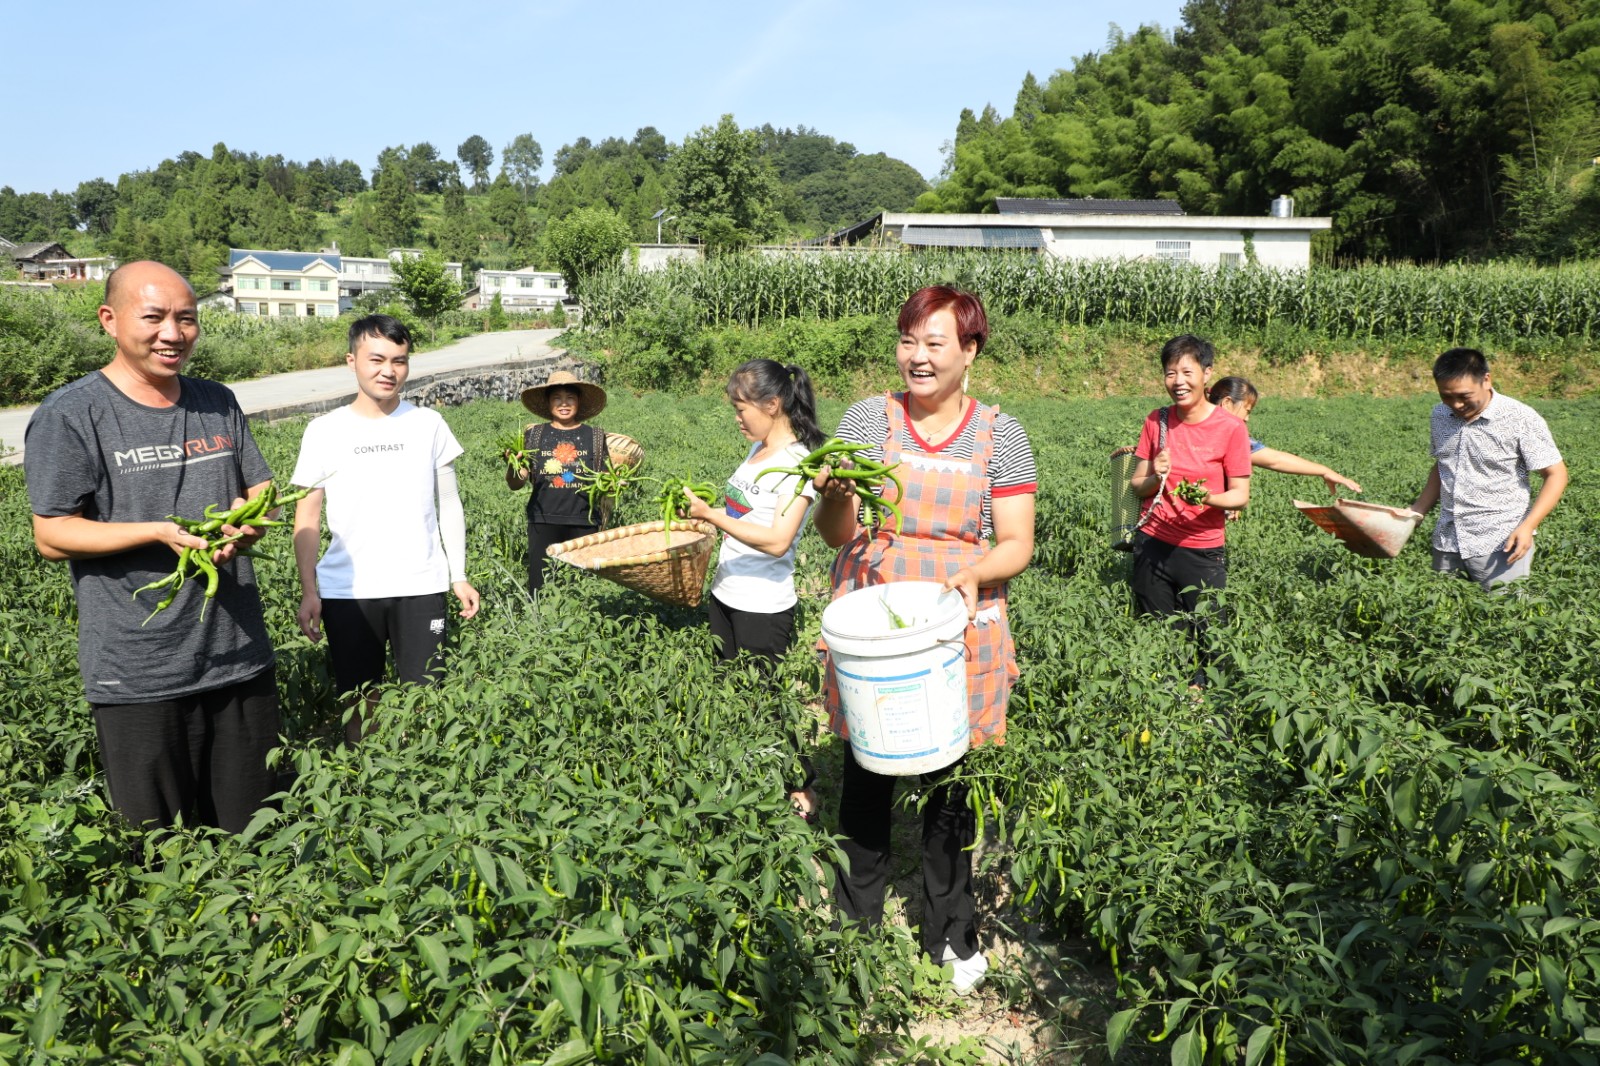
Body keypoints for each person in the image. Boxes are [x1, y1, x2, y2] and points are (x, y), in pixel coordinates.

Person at [813, 285, 1037, 995]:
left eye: (935, 343)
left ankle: (953, 933)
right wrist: (835, 492)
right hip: (872, 613)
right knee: (866, 780)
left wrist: (973, 573)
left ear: (970, 351)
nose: (918, 356)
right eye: (909, 340)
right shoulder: (864, 420)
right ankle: (857, 929)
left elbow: (1017, 544)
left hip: (955, 619)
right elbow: (838, 534)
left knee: (952, 788)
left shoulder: (1000, 434)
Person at [23, 260, 282, 833]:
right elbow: (53, 533)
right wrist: (157, 531)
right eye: (154, 317)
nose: (173, 333)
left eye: (186, 318)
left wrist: (247, 523)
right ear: (109, 320)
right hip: (140, 673)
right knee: (158, 845)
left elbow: (259, 489)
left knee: (256, 832)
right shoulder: (70, 416)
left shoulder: (217, 400)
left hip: (239, 656)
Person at [290, 315, 481, 746]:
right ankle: (364, 772)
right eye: (376, 359)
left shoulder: (428, 424)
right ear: (351, 360)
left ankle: (427, 776)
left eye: (399, 360)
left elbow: (449, 502)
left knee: (428, 695)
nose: (388, 371)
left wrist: (458, 574)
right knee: (360, 697)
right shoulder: (324, 430)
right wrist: (309, 589)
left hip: (421, 584)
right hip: (348, 590)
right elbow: (307, 516)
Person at [683, 359, 826, 822]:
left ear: (773, 403)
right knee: (733, 696)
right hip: (727, 594)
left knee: (768, 701)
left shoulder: (798, 461)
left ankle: (800, 786)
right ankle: (748, 785)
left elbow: (778, 539)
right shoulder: (758, 451)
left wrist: (712, 516)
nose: (737, 417)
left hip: (763, 606)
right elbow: (742, 517)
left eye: (742, 408)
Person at [1127, 336, 1252, 689]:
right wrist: (1155, 473)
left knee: (1212, 638)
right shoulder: (1157, 420)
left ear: (1206, 373)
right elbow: (1136, 486)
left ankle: (1212, 707)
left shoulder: (1231, 428)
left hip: (1201, 550)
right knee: (1164, 637)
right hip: (1152, 545)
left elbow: (1240, 496)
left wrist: (1206, 498)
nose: (1178, 381)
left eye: (1186, 371)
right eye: (1170, 373)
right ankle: (1174, 703)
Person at [1408, 347, 1567, 592]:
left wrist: (1528, 526)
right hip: (1448, 540)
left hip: (1500, 541)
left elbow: (1556, 474)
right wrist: (1418, 510)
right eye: (1446, 396)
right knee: (1442, 617)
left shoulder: (1520, 418)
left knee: (1505, 620)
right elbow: (1444, 464)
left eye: (1464, 395)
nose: (1456, 404)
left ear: (1486, 380)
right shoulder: (1440, 415)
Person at [505, 371, 614, 593]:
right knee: (540, 586)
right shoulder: (534, 434)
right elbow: (516, 483)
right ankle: (538, 626)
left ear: (579, 402)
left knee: (583, 588)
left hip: (584, 521)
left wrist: (615, 483)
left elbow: (606, 480)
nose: (564, 403)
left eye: (570, 398)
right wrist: (513, 467)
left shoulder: (595, 436)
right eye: (557, 398)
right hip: (543, 520)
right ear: (548, 403)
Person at [1208, 376, 1363, 495]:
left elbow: (1276, 460)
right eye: (1247, 410)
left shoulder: (1232, 437)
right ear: (1227, 403)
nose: (1247, 418)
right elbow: (1274, 461)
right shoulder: (1196, 430)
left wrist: (1324, 471)